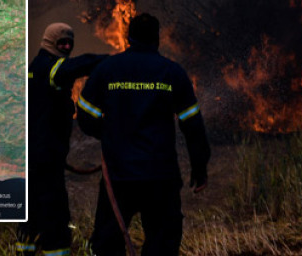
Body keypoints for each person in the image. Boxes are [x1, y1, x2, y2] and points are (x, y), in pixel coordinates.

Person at [76, 13, 210, 256]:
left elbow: (84, 115)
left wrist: (109, 135)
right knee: (162, 243)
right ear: (157, 39)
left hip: (119, 176)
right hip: (160, 176)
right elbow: (193, 126)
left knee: (108, 242)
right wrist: (199, 167)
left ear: (129, 38)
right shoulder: (173, 73)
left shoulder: (107, 69)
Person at [19, 22, 107, 256]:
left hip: (37, 152)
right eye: (62, 43)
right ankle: (56, 250)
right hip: (45, 155)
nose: (67, 47)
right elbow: (78, 65)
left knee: (33, 209)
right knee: (55, 212)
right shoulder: (49, 67)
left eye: (70, 43)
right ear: (50, 42)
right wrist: (112, 60)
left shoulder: (36, 66)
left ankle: (24, 250)